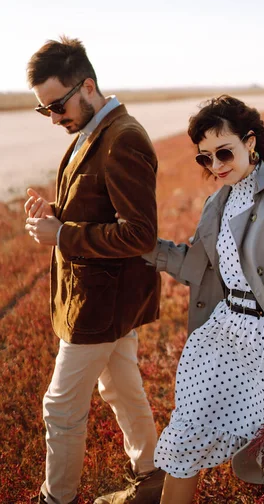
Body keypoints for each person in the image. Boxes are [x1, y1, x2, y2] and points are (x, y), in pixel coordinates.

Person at [142, 95, 264, 504]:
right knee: (184, 437)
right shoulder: (219, 201)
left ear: (250, 142)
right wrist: (140, 246)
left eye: (223, 151)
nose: (216, 165)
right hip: (223, 337)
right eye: (204, 158)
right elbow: (196, 265)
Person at [24, 36, 165, 504]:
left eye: (57, 105)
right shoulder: (89, 128)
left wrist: (62, 235)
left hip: (101, 305)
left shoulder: (124, 138)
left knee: (60, 407)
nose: (54, 118)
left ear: (87, 86)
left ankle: (55, 497)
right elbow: (98, 205)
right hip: (102, 300)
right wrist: (57, 212)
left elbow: (139, 235)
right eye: (45, 110)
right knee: (121, 387)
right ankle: (152, 473)